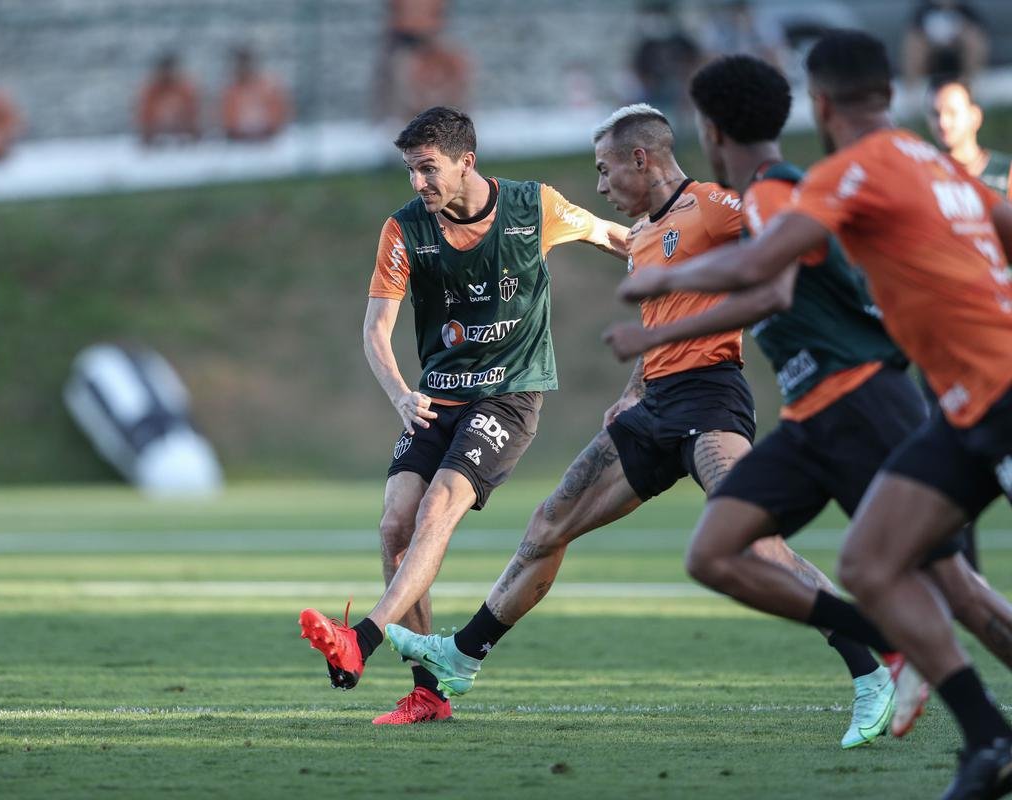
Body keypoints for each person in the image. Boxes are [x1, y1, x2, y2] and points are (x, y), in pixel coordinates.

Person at [384, 102, 887, 746]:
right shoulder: (645, 237)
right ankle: (462, 657)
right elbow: (661, 329)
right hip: (655, 408)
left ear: (640, 159)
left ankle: (871, 669)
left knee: (755, 541)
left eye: (604, 169)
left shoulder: (712, 206)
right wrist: (632, 390)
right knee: (548, 524)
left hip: (711, 402)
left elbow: (798, 234)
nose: (599, 186)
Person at [614, 30, 1012, 800]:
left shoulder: (834, 176)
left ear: (821, 103)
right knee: (869, 564)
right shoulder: (936, 166)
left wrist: (654, 296)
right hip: (949, 406)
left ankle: (975, 725)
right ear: (891, 94)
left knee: (943, 582)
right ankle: (987, 736)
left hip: (939, 396)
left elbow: (766, 273)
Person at [298, 106, 630, 725]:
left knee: (437, 508)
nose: (419, 183)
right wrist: (400, 393)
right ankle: (430, 692)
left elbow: (614, 237)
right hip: (434, 397)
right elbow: (376, 329)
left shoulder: (534, 208)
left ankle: (362, 640)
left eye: (428, 169)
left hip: (508, 395)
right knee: (395, 526)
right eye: (411, 171)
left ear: (465, 161)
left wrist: (680, 260)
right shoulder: (403, 231)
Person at [927, 77, 1011, 200]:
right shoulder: (926, 177)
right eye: (935, 114)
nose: (942, 122)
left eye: (952, 112)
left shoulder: (1006, 173)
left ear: (975, 117)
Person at [902, 0, 988, 85]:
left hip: (957, 49)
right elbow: (914, 33)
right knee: (913, 44)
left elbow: (978, 34)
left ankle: (971, 85)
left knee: (973, 39)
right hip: (930, 51)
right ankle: (913, 90)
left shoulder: (966, 10)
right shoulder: (922, 11)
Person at [218, 47, 290, 142]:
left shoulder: (269, 88)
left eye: (246, 64)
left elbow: (280, 117)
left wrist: (270, 130)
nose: (243, 68)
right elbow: (226, 122)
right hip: (239, 143)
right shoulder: (230, 92)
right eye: (240, 65)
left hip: (267, 143)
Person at [136, 53, 201, 146]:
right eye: (165, 70)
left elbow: (193, 111)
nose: (167, 73)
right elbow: (144, 113)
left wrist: (191, 130)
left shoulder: (183, 89)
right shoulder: (151, 91)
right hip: (157, 135)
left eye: (169, 70)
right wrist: (148, 132)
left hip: (181, 134)